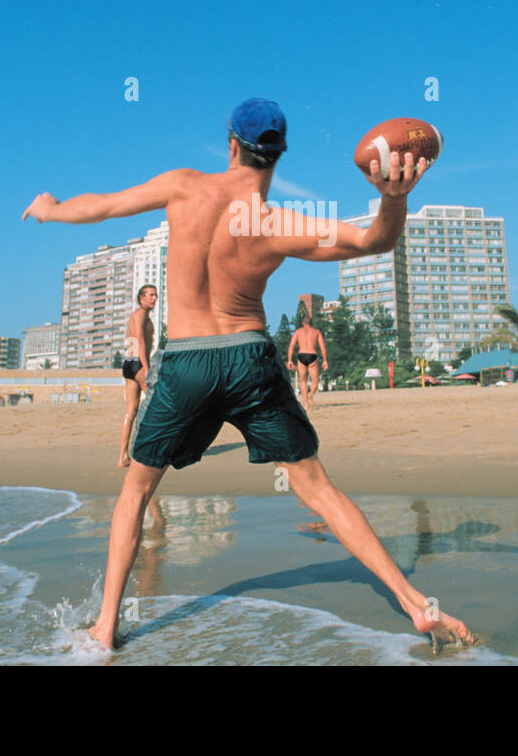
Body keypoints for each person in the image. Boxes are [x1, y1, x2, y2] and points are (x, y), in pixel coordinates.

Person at [23, 98, 476, 652]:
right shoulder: (277, 223)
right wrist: (393, 199)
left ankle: (106, 625)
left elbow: (102, 207)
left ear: (231, 144)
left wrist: (51, 208)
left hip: (188, 360)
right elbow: (374, 242)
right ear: (278, 156)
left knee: (136, 491)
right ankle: (413, 603)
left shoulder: (184, 185)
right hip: (249, 358)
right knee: (319, 490)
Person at [118, 285, 158, 468]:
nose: (154, 298)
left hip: (129, 363)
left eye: (155, 295)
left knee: (131, 411)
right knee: (155, 404)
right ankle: (150, 447)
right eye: (150, 295)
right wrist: (147, 369)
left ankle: (123, 457)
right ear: (141, 297)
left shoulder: (141, 316)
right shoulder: (140, 315)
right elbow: (140, 342)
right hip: (138, 363)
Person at [286, 312, 328, 412]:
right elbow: (322, 346)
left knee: (303, 381)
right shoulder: (316, 332)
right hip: (312, 355)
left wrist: (290, 360)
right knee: (315, 381)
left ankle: (306, 404)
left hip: (301, 356)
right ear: (311, 323)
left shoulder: (297, 332)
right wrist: (325, 360)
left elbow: (291, 346)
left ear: (302, 323)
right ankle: (311, 395)